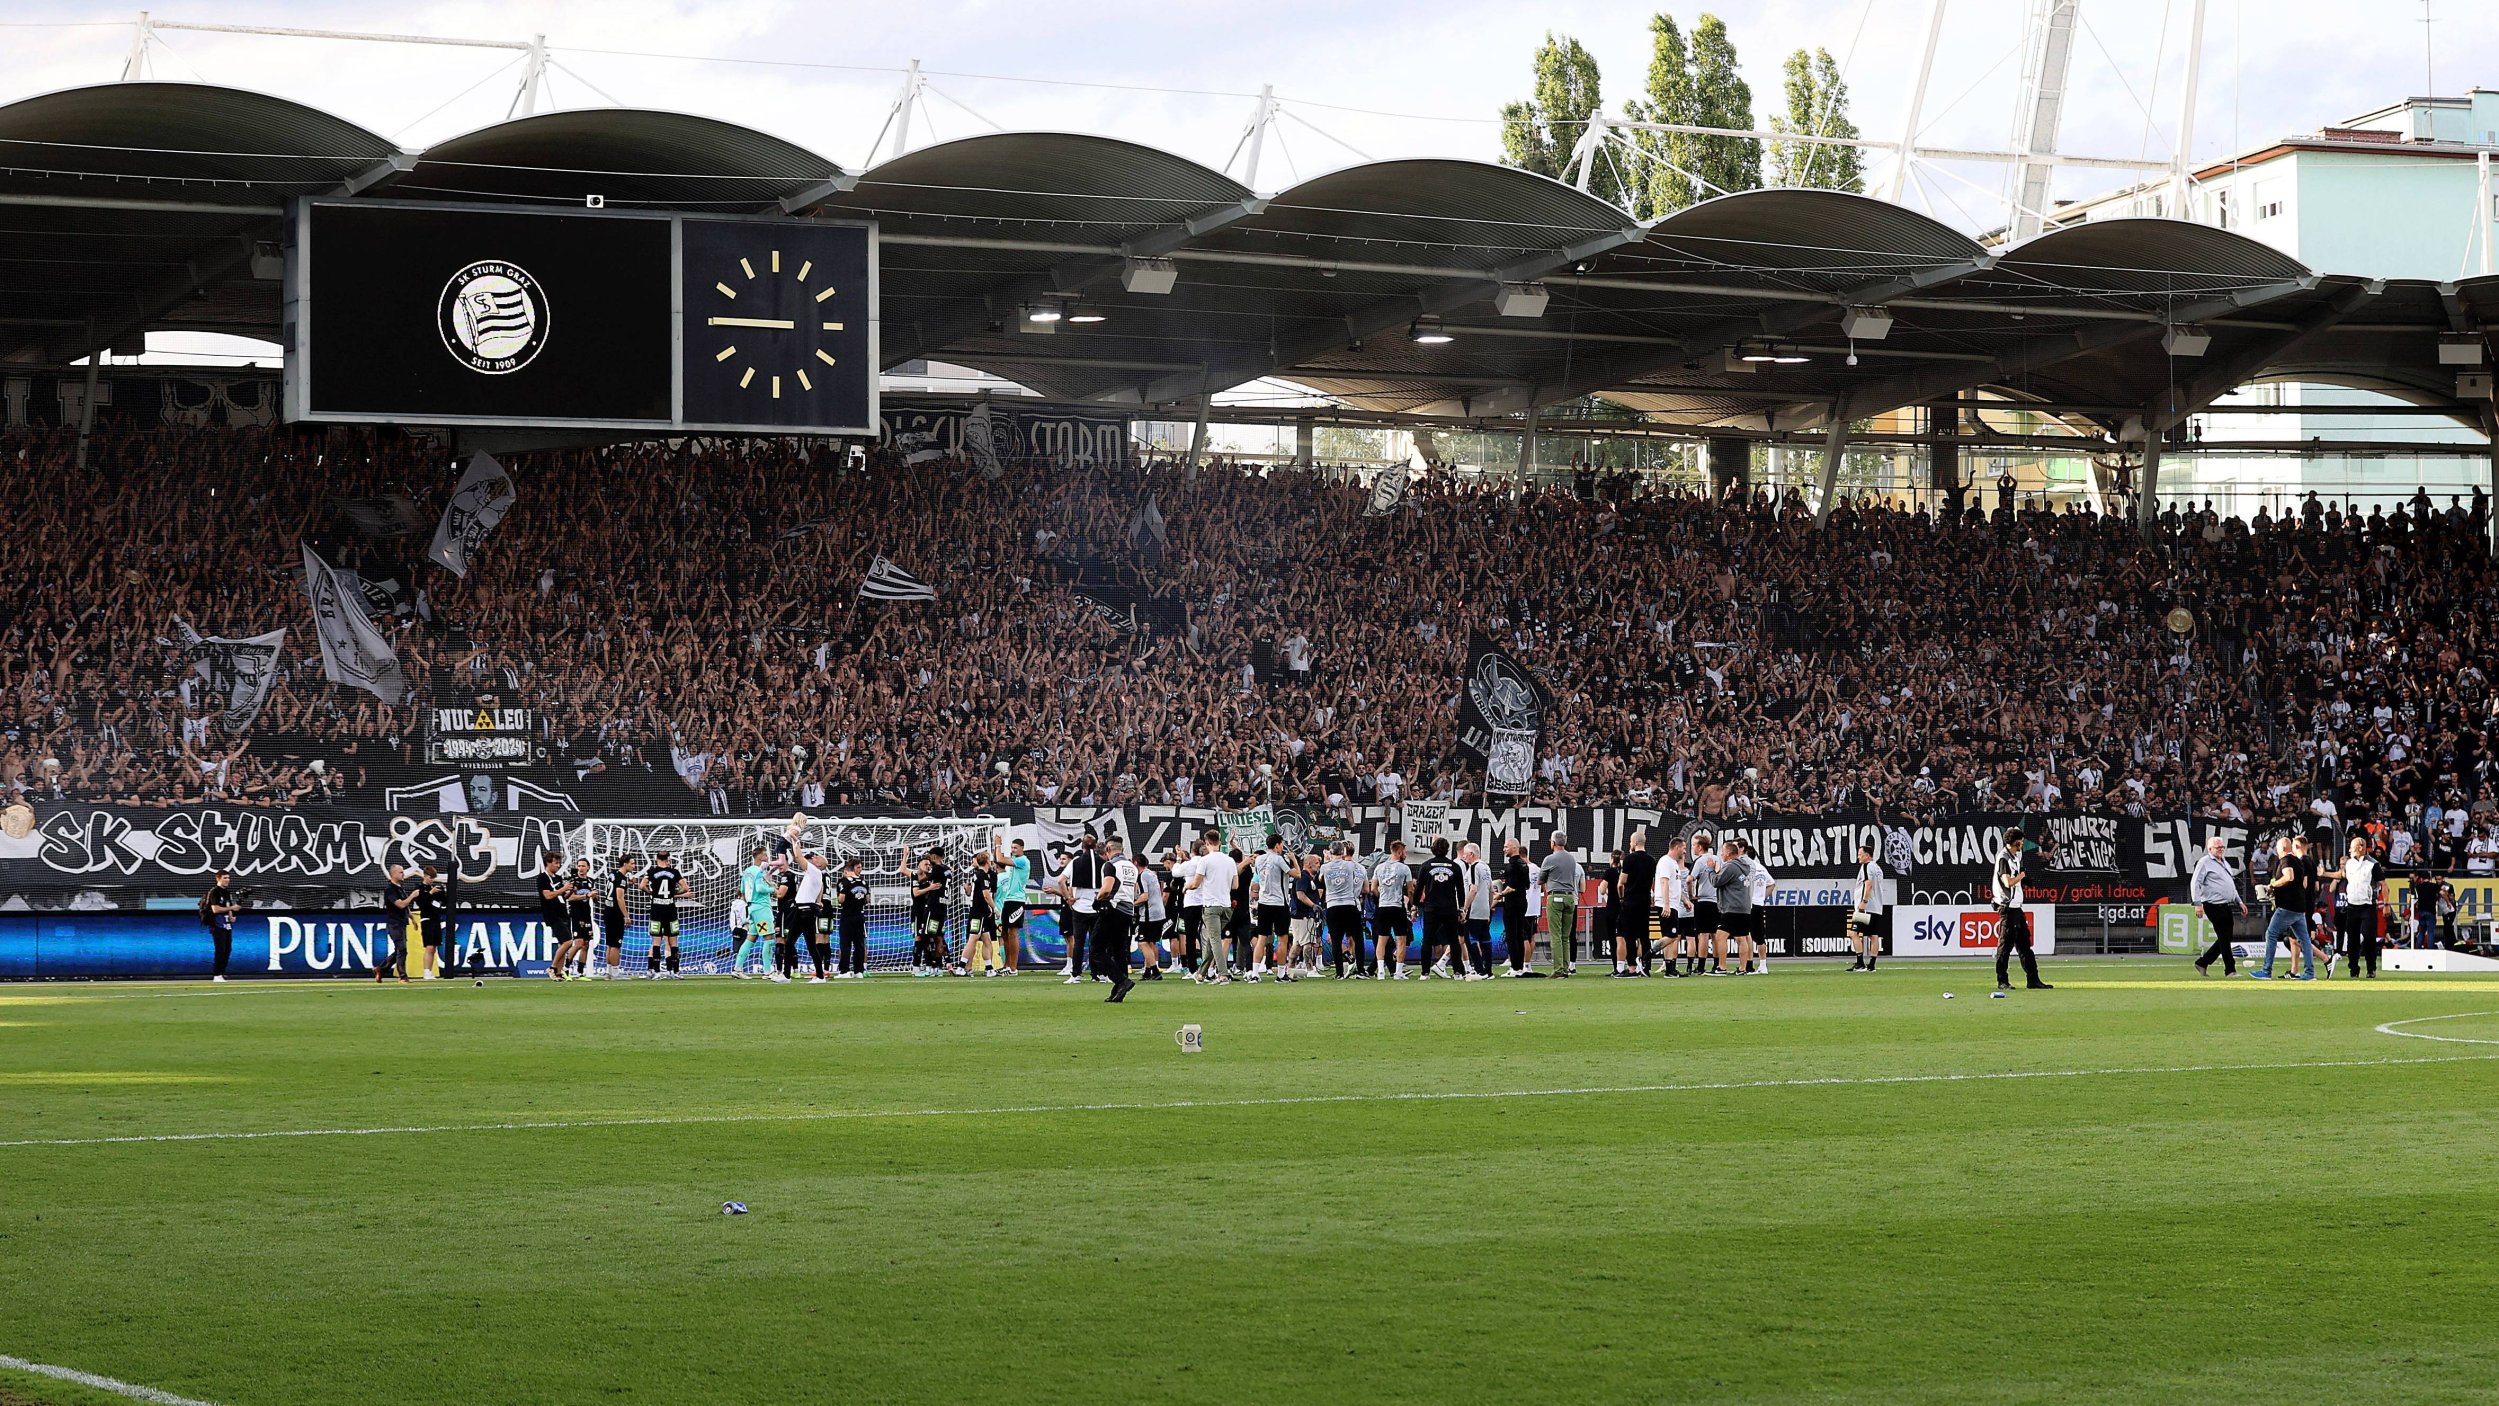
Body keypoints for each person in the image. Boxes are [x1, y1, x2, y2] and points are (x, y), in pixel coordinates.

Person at [1992, 828, 2051, 991]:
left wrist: (2024, 881)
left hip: (2016, 908)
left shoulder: (2014, 857)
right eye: (2021, 841)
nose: (2022, 844)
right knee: (2005, 947)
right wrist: (2021, 877)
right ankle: (2002, 980)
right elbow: (2008, 882)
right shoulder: (2003, 858)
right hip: (2008, 908)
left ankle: (2033, 979)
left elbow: (2016, 878)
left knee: (2025, 946)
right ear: (2015, 842)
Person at [2249, 836, 2313, 981]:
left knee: (2271, 934)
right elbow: (2301, 884)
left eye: (2277, 848)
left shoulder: (2286, 860)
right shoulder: (2298, 861)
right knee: (2304, 940)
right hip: (2299, 906)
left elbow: (2288, 877)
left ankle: (2266, 971)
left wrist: (2272, 886)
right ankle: (2309, 973)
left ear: (2283, 848)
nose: (2276, 851)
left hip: (2287, 907)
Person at [2324, 835, 2382, 979]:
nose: (2349, 850)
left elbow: (2383, 884)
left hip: (2368, 906)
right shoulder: (2349, 863)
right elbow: (2341, 874)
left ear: (2361, 848)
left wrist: (2385, 904)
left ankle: (2371, 968)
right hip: (2352, 906)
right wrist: (2325, 873)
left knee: (2369, 938)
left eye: (2352, 847)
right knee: (2352, 940)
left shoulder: (2373, 864)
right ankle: (2354, 969)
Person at [2189, 834, 2247, 977]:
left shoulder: (2224, 862)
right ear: (2210, 848)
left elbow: (2230, 885)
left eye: (2222, 847)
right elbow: (2195, 882)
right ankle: (2230, 970)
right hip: (2213, 904)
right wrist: (2197, 903)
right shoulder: (2204, 862)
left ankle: (2203, 962)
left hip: (2225, 904)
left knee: (2226, 937)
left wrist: (2239, 901)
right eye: (2218, 847)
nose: (2221, 849)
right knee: (2224, 936)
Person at [1184, 834, 1239, 984]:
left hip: (1211, 906)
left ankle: (1222, 974)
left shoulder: (1205, 860)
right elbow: (1235, 885)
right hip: (1226, 906)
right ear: (1220, 842)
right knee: (1210, 940)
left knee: (1214, 940)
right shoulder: (1230, 861)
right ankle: (1201, 973)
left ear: (1207, 843)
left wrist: (1186, 887)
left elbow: (1195, 884)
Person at [1093, 836, 1138, 1002]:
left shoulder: (1110, 865)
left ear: (1108, 850)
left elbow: (1106, 888)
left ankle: (1121, 981)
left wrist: (1097, 899)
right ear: (1123, 849)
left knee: (1096, 949)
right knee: (1120, 952)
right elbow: (1136, 891)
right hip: (1128, 911)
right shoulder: (1132, 867)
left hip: (1112, 909)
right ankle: (1119, 992)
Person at [1416, 837, 1467, 979]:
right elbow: (1460, 889)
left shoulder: (1426, 866)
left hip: (1431, 908)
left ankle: (1424, 973)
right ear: (1447, 849)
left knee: (1427, 940)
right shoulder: (1454, 867)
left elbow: (1419, 888)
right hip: (1449, 908)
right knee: (1453, 940)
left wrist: (1415, 905)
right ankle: (1457, 972)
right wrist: (1462, 908)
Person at [1709, 840, 1758, 976]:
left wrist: (1711, 870)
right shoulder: (1745, 866)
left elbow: (1717, 881)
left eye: (1723, 851)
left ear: (1729, 853)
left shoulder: (1730, 866)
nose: (1721, 854)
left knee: (1720, 936)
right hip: (1744, 907)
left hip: (1732, 907)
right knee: (1741, 937)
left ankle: (1722, 967)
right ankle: (1743, 968)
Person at [1320, 841, 1368, 979]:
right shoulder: (1351, 865)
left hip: (1333, 905)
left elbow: (1321, 881)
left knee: (1336, 940)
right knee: (1358, 938)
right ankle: (1360, 970)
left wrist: (1327, 860)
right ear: (1343, 851)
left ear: (1330, 851)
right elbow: (1358, 883)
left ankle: (1339, 973)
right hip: (1349, 903)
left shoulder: (1325, 867)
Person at [1368, 840, 1414, 979]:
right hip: (1397, 907)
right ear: (1399, 852)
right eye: (1404, 852)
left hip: (1383, 907)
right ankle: (1398, 972)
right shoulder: (1404, 868)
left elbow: (1373, 888)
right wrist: (1412, 905)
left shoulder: (1379, 867)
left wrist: (1381, 897)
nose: (1405, 854)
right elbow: (1410, 889)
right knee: (1401, 940)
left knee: (1382, 940)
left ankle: (1381, 971)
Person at [739, 847, 783, 983]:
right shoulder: (758, 871)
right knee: (769, 937)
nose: (767, 858)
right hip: (761, 908)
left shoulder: (747, 871)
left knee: (751, 937)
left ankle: (737, 968)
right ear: (760, 857)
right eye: (766, 856)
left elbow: (741, 890)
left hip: (752, 908)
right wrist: (773, 889)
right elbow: (760, 888)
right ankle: (767, 971)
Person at [1616, 831, 1657, 977]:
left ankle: (1632, 968)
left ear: (1634, 843)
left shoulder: (1629, 860)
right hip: (1645, 900)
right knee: (1645, 935)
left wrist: (1621, 898)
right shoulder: (1652, 860)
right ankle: (1646, 966)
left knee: (1629, 936)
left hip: (1630, 901)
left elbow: (1621, 883)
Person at [1061, 834, 1101, 983]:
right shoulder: (1103, 862)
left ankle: (1076, 974)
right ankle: (1098, 974)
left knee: (1079, 942)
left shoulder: (1076, 862)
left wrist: (1068, 899)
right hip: (1097, 908)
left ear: (1082, 846)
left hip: (1080, 908)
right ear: (1096, 846)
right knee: (1096, 942)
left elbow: (1061, 880)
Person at [1652, 837, 1691, 979]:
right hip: (1665, 905)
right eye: (1684, 848)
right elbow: (1664, 883)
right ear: (1676, 847)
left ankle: (1670, 969)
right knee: (1672, 935)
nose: (1685, 851)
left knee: (1670, 936)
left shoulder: (1674, 864)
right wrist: (1667, 904)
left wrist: (1685, 900)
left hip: (1673, 904)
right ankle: (1647, 956)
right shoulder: (1665, 862)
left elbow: (1675, 887)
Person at [994, 835, 1032, 975]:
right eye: (1012, 848)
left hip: (1017, 900)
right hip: (1008, 900)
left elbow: (1000, 860)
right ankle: (1006, 965)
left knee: (1013, 933)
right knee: (1004, 933)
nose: (1013, 850)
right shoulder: (1016, 861)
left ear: (1022, 848)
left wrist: (998, 845)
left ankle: (1014, 968)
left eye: (1015, 848)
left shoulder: (1023, 861)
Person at [643, 850, 684, 978]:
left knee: (656, 941)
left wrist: (651, 893)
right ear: (668, 859)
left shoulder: (651, 872)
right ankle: (674, 972)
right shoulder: (674, 872)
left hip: (656, 908)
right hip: (670, 908)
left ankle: (656, 972)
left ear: (656, 859)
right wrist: (675, 893)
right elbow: (685, 887)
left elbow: (642, 885)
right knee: (673, 941)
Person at [793, 849, 831, 982]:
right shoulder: (817, 874)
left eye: (812, 858)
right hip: (817, 907)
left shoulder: (815, 872)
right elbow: (820, 887)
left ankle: (821, 972)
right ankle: (823, 970)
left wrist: (794, 841)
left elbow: (799, 857)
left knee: (819, 939)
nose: (808, 861)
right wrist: (819, 901)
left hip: (811, 909)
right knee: (822, 938)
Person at [1847, 842, 1886, 972]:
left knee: (1853, 933)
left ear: (1867, 855)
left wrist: (1863, 902)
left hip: (1866, 907)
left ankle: (1860, 964)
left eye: (1860, 854)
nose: (1858, 857)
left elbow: (1868, 885)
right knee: (1873, 936)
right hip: (1876, 907)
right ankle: (1872, 965)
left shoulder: (1867, 866)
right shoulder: (1877, 868)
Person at [910, 849, 949, 976]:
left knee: (926, 935)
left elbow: (922, 879)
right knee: (938, 937)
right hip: (943, 906)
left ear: (934, 856)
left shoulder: (937, 869)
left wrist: (918, 876)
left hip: (933, 906)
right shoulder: (947, 869)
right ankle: (938, 967)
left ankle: (929, 966)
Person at [537, 855, 576, 981]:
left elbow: (563, 897)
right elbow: (548, 895)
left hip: (563, 912)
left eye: (559, 863)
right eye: (556, 863)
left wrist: (569, 891)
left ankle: (558, 973)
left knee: (563, 944)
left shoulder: (558, 878)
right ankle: (552, 967)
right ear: (548, 863)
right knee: (568, 942)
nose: (558, 866)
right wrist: (563, 889)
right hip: (552, 914)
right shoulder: (542, 878)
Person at [1461, 841, 1496, 979]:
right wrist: (1489, 906)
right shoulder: (1486, 867)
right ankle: (1488, 970)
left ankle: (1479, 969)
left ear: (1471, 854)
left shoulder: (1475, 867)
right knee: (1485, 939)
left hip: (1474, 909)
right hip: (1484, 909)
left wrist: (1465, 908)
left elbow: (1473, 889)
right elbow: (1491, 890)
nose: (1464, 856)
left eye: (1465, 854)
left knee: (1470, 939)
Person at [199, 869, 241, 982]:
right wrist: (232, 908)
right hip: (217, 924)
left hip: (226, 924)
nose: (228, 880)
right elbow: (215, 909)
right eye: (225, 878)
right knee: (220, 949)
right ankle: (217, 974)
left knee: (228, 949)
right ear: (218, 879)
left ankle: (221, 973)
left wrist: (231, 916)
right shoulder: (214, 892)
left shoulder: (227, 892)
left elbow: (228, 905)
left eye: (228, 878)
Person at [1498, 839, 1533, 974]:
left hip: (1512, 903)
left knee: (1512, 935)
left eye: (1506, 847)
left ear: (1513, 848)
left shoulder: (1512, 866)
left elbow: (1511, 888)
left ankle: (1515, 967)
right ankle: (1519, 967)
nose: (1504, 849)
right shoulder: (1524, 864)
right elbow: (1527, 885)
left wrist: (1499, 895)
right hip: (1522, 901)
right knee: (1519, 935)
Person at [376, 861, 413, 984]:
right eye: (401, 872)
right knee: (402, 949)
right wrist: (412, 896)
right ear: (393, 874)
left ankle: (380, 969)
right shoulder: (390, 889)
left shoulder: (399, 888)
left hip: (402, 922)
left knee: (400, 949)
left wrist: (411, 917)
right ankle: (402, 976)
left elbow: (405, 906)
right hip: (394, 923)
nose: (403, 874)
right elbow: (401, 904)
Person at [604, 855, 641, 980]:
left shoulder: (613, 874)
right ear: (625, 864)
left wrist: (628, 884)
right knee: (615, 944)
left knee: (609, 944)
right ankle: (615, 973)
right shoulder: (621, 879)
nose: (634, 866)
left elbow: (614, 890)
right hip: (615, 913)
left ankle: (609, 972)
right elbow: (619, 897)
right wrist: (626, 916)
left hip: (607, 911)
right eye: (632, 863)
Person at [834, 854, 870, 978]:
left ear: (846, 870)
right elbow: (867, 900)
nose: (860, 870)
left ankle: (844, 971)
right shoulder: (864, 882)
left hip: (847, 916)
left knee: (846, 944)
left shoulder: (843, 881)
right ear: (853, 868)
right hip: (860, 916)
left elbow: (841, 899)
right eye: (859, 867)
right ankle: (858, 971)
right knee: (859, 944)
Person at [566, 859, 599, 978]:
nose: (581, 868)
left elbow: (594, 899)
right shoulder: (572, 881)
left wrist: (595, 896)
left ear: (588, 868)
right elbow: (570, 898)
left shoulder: (591, 881)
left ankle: (580, 973)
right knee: (579, 943)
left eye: (583, 866)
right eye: (579, 866)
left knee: (586, 944)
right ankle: (566, 968)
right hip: (576, 914)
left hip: (586, 914)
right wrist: (586, 895)